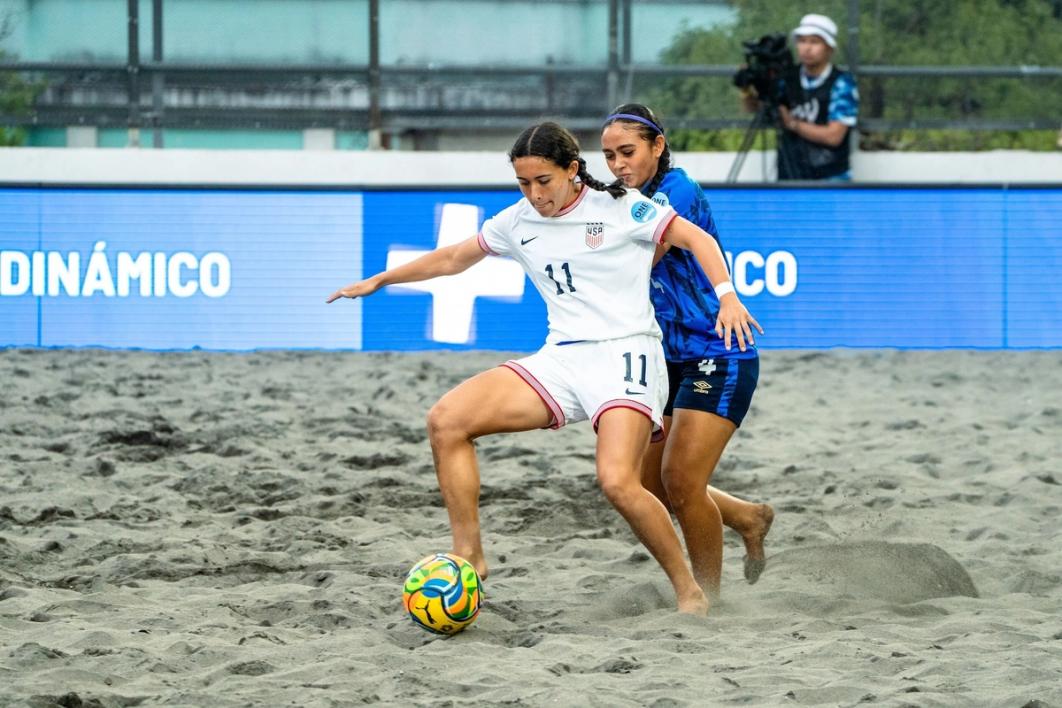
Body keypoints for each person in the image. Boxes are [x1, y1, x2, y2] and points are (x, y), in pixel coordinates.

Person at [327, 121, 761, 615]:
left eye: (544, 181)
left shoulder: (622, 206)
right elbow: (452, 259)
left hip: (627, 356)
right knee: (446, 421)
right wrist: (381, 279)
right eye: (524, 183)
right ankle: (470, 554)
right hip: (562, 356)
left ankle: (690, 592)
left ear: (573, 171)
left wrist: (727, 297)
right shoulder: (517, 221)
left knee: (620, 482)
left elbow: (698, 239)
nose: (535, 195)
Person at [601, 104, 774, 599]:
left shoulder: (677, 190)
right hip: (664, 357)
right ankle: (747, 516)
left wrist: (727, 295)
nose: (617, 164)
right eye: (609, 155)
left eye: (628, 152)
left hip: (718, 351)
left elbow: (644, 253)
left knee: (680, 480)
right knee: (649, 485)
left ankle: (707, 601)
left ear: (658, 146)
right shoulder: (617, 198)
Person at [744, 13, 860, 181]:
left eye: (814, 42)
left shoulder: (842, 83)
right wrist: (747, 88)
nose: (807, 48)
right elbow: (755, 108)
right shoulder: (787, 77)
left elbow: (834, 136)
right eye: (802, 41)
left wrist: (792, 123)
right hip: (789, 175)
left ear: (829, 48)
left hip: (830, 178)